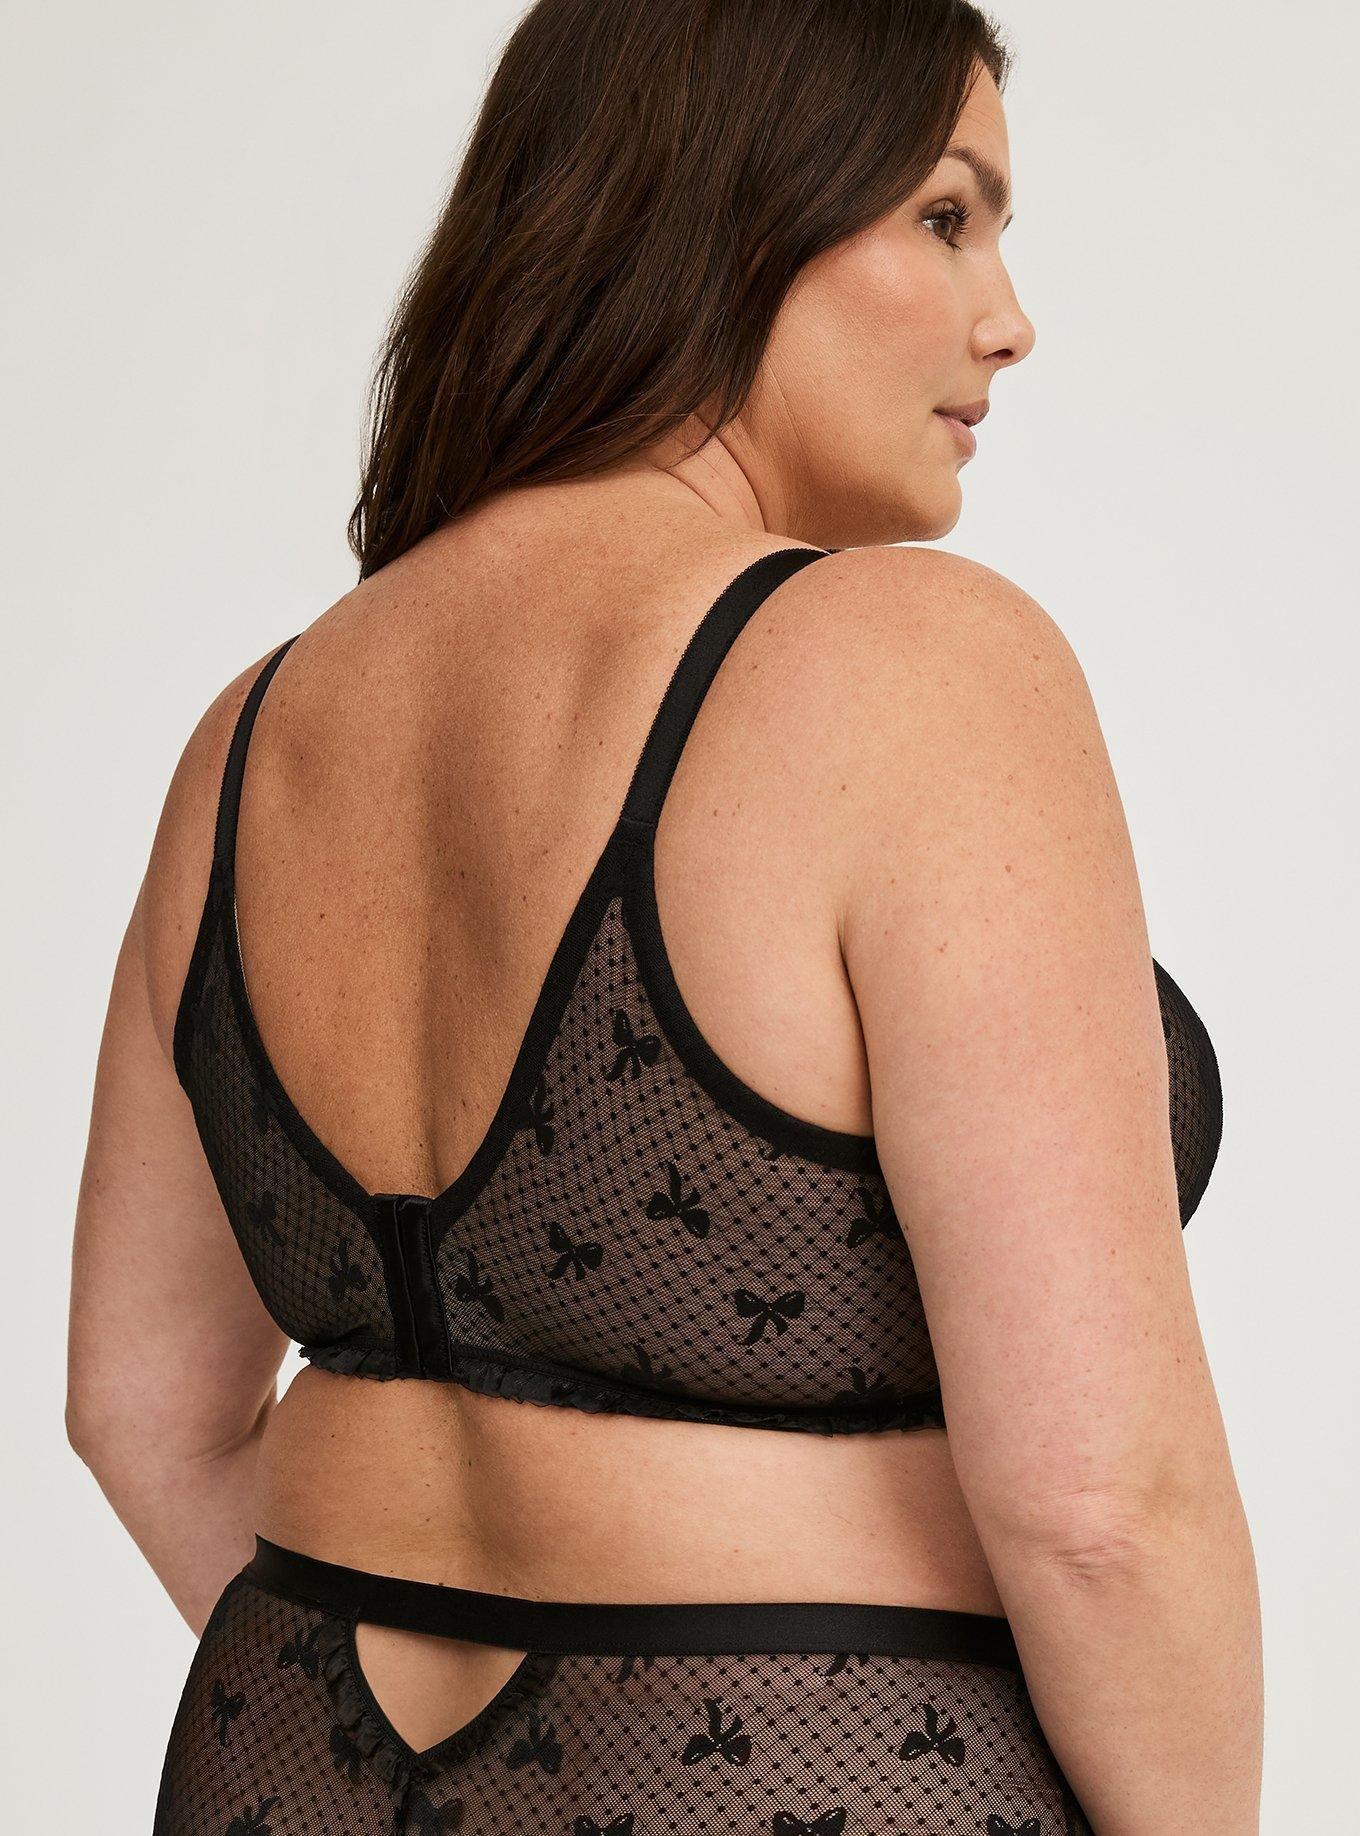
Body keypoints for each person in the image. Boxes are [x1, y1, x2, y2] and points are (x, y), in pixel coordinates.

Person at [66, 2, 1261, 1830]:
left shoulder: (253, 736)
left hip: (285, 1752)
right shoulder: (910, 666)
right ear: (728, 204)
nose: (1009, 318)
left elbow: (137, 1404)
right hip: (795, 1767)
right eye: (947, 218)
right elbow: (1106, 1511)